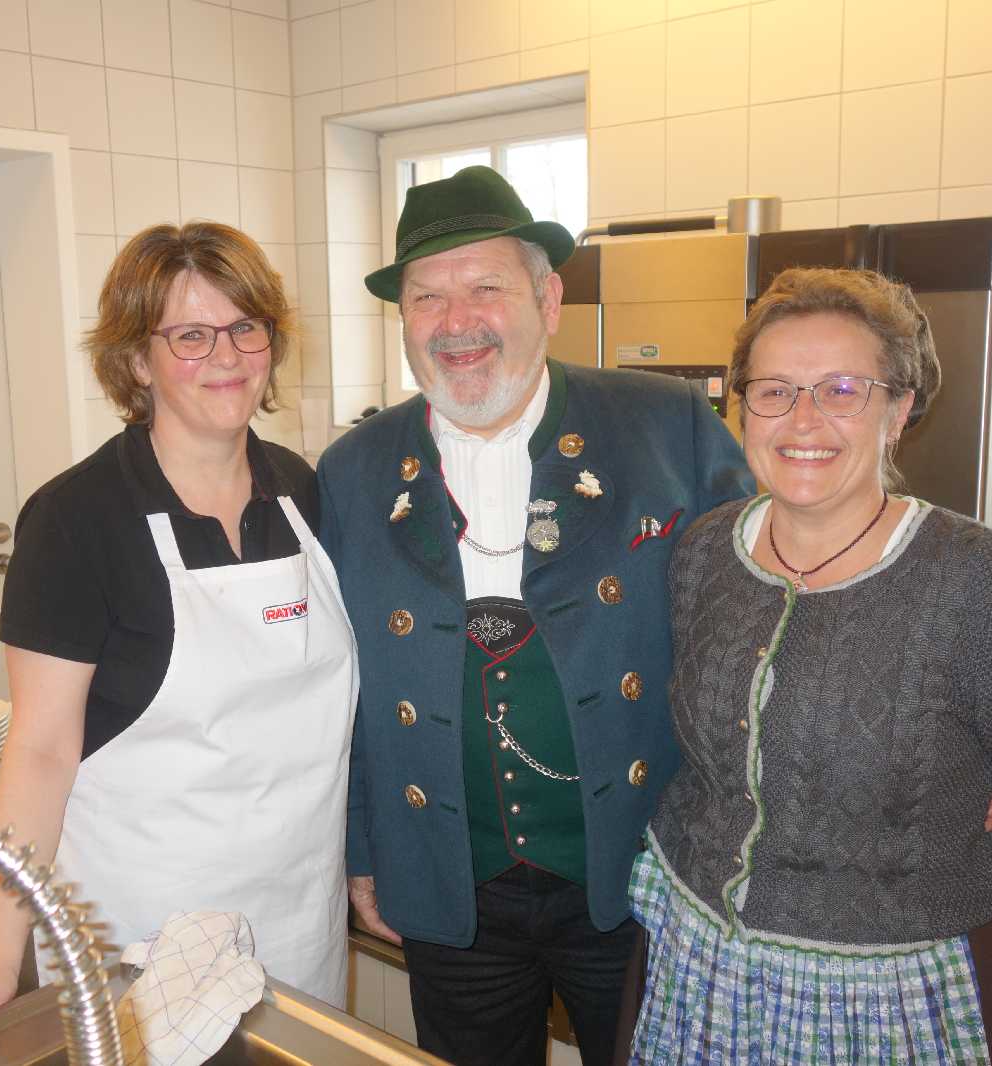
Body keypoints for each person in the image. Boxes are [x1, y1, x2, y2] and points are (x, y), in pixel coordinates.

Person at [315, 165, 755, 1066]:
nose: (456, 321)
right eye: (426, 297)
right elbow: (340, 689)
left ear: (548, 300)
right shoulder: (353, 469)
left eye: (486, 288)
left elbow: (763, 615)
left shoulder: (664, 426)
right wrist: (362, 847)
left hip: (641, 871)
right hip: (447, 876)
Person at [631, 267, 992, 1065]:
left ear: (897, 412)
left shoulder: (990, 586)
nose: (804, 419)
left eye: (842, 390)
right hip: (696, 970)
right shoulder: (704, 552)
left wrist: (984, 940)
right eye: (775, 391)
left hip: (894, 1001)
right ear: (742, 407)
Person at [0, 222, 359, 1038]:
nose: (226, 356)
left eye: (245, 326)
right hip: (142, 926)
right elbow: (40, 751)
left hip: (300, 910)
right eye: (190, 336)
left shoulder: (301, 490)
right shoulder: (76, 519)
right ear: (135, 360)